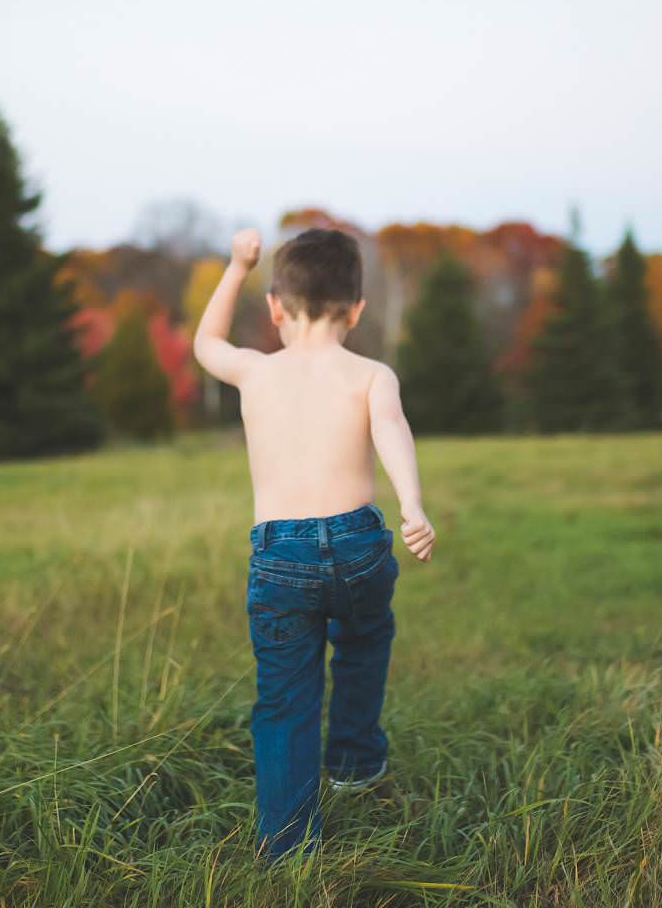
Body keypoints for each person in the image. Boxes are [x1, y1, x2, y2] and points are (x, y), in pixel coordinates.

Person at [193, 225, 437, 863]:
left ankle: (287, 846)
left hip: (280, 554)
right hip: (358, 541)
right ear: (356, 310)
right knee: (363, 643)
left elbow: (205, 343)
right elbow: (392, 429)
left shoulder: (253, 371)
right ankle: (355, 762)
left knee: (285, 694)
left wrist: (237, 263)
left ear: (275, 307)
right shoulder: (371, 374)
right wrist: (410, 503)